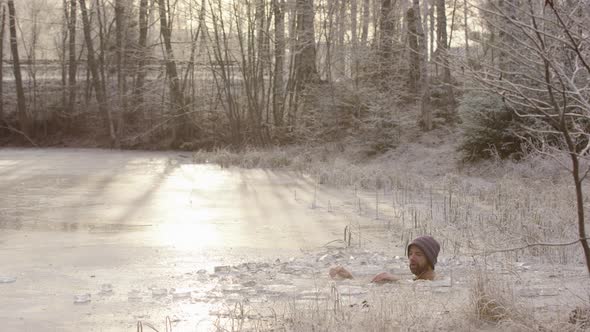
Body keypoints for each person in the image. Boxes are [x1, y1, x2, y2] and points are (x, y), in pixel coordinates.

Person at [329, 236, 441, 283]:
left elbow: (418, 288)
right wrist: (349, 277)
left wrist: (396, 280)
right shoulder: (418, 279)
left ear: (430, 260)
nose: (412, 258)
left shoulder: (434, 281)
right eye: (410, 254)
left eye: (418, 254)